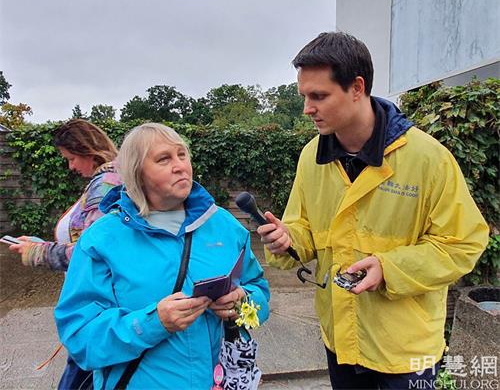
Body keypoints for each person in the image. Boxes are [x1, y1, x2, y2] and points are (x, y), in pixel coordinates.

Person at [257, 32, 489, 389]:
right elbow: (303, 231)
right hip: (341, 340)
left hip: (406, 348)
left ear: (357, 87)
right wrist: (287, 239)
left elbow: (463, 243)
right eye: (304, 96)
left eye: (318, 96)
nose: (307, 109)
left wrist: (389, 267)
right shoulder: (310, 158)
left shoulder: (427, 159)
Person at [54, 123, 270, 389]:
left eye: (182, 154)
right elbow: (80, 336)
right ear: (138, 173)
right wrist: (152, 323)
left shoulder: (225, 226)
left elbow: (259, 290)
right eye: (163, 159)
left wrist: (242, 303)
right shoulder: (102, 239)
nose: (180, 165)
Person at [9, 119, 122, 389]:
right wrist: (43, 243)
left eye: (71, 158)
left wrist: (37, 252)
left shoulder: (106, 185)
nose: (70, 166)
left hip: (96, 306)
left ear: (88, 150)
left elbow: (91, 254)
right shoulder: (109, 179)